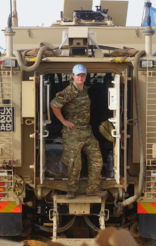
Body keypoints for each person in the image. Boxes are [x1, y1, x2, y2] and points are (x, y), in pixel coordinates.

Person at [50, 64, 107, 199]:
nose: (80, 77)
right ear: (73, 76)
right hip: (73, 133)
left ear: (85, 77)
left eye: (82, 75)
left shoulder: (84, 90)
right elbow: (54, 104)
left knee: (97, 160)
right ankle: (71, 190)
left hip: (86, 131)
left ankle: (92, 189)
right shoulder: (69, 91)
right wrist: (63, 121)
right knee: (75, 164)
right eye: (78, 75)